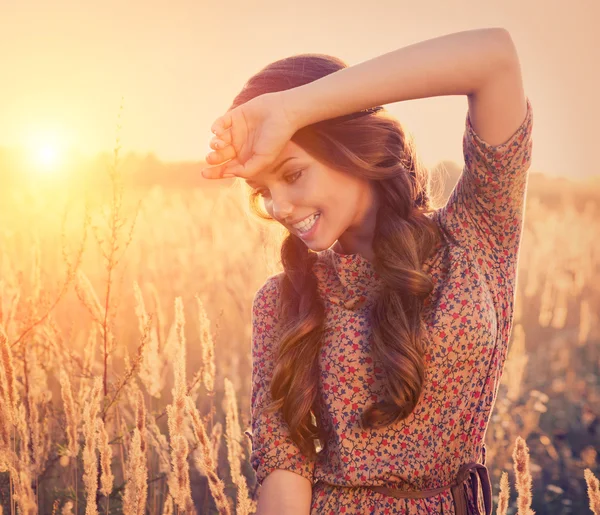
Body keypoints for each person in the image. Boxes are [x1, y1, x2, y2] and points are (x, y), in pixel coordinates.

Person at [201, 27, 533, 515]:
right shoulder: (285, 299)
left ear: (351, 147)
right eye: (262, 190)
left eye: (292, 174)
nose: (279, 207)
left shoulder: (475, 235)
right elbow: (284, 471)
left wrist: (294, 109)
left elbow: (494, 57)